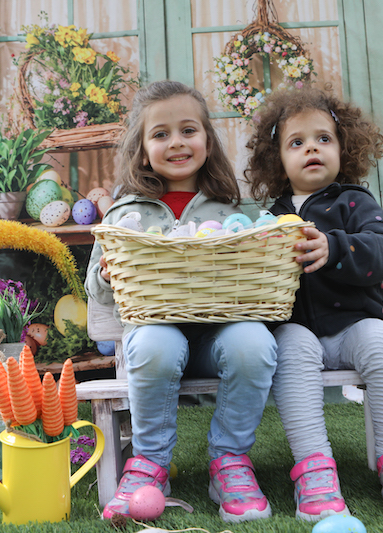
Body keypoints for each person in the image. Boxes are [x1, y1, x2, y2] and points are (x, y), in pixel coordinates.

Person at [85, 80, 277, 523]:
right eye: (161, 134)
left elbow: (249, 278)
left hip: (214, 341)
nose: (176, 142)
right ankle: (150, 463)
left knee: (255, 343)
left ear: (207, 140)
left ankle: (230, 460)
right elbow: (95, 288)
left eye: (188, 130)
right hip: (154, 341)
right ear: (142, 150)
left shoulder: (230, 211)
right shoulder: (124, 213)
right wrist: (107, 274)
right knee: (158, 343)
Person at [244, 87, 383, 520]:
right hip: (298, 331)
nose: (311, 148)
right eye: (297, 142)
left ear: (343, 147)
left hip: (355, 326)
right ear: (278, 159)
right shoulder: (270, 219)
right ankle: (314, 469)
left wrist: (334, 247)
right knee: (288, 348)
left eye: (323, 139)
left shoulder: (355, 201)